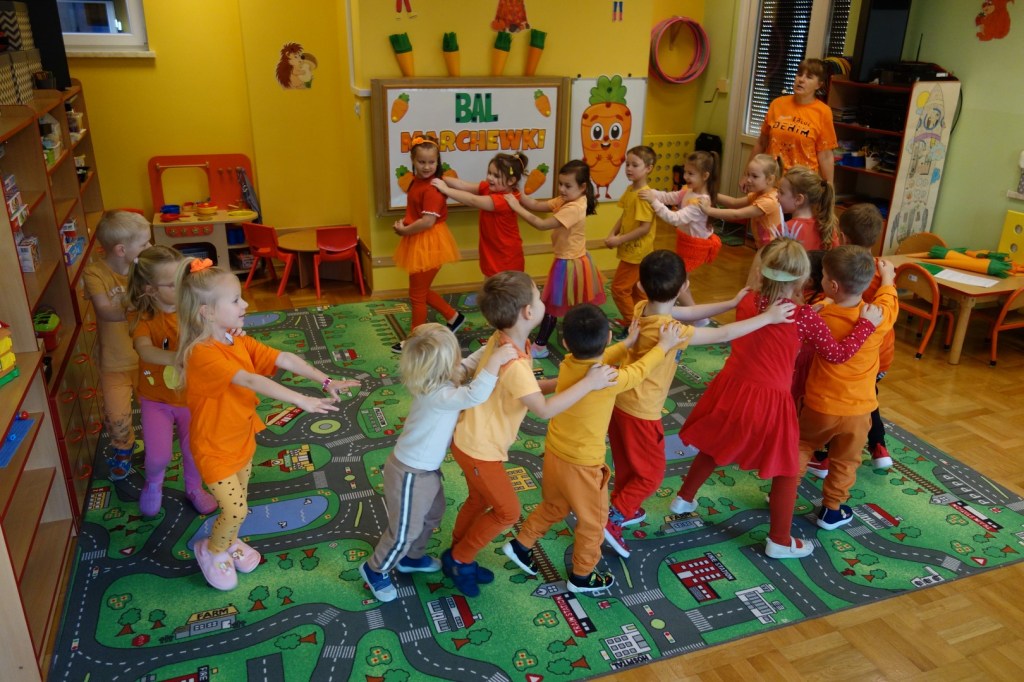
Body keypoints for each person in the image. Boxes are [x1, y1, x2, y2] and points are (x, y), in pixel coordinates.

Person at [670, 239, 883, 559]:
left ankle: (684, 498)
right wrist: (866, 325)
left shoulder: (748, 299)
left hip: (731, 387)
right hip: (770, 400)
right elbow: (837, 355)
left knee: (715, 443)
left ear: (762, 270)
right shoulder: (804, 317)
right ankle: (779, 540)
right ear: (803, 279)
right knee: (786, 468)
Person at [603, 250, 804, 557]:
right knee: (651, 474)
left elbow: (687, 312)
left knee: (629, 462)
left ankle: (626, 505)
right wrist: (768, 318)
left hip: (619, 403)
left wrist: (732, 303)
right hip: (642, 412)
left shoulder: (642, 308)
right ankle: (614, 517)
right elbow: (722, 333)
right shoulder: (673, 332)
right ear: (685, 285)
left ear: (641, 285)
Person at [175, 258, 360, 591]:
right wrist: (300, 399)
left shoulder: (235, 340)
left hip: (242, 438)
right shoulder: (201, 354)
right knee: (235, 509)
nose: (245, 304)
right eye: (236, 300)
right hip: (214, 449)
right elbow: (249, 379)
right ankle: (212, 549)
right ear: (208, 312)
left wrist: (325, 380)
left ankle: (229, 540)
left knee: (239, 503)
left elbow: (282, 358)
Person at [443, 271, 617, 597]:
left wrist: (568, 383)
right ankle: (460, 558)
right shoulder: (513, 362)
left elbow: (528, 389)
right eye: (538, 296)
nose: (542, 300)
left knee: (479, 499)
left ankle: (456, 550)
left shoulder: (504, 341)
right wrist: (588, 383)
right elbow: (544, 409)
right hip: (480, 449)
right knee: (508, 512)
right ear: (528, 312)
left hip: (470, 440)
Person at [502, 304, 686, 594]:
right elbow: (639, 371)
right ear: (608, 335)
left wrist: (626, 344)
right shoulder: (609, 380)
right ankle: (582, 575)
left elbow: (599, 357)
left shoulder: (567, 363)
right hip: (584, 466)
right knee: (593, 523)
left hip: (555, 454)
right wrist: (663, 345)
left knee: (553, 506)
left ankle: (522, 543)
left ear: (565, 343)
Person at [359, 324, 518, 602]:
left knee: (433, 514)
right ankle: (375, 569)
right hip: (409, 474)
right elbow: (475, 394)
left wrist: (491, 346)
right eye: (454, 356)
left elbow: (468, 365)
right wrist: (495, 360)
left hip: (426, 471)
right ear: (441, 365)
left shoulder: (439, 378)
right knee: (404, 531)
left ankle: (411, 558)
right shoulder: (436, 394)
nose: (460, 361)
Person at [799, 246, 899, 532]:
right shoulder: (878, 316)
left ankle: (782, 494)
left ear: (832, 285)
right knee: (845, 460)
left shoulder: (821, 317)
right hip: (859, 411)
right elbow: (888, 297)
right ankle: (832, 510)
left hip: (820, 405)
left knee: (802, 446)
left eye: (823, 276)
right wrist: (888, 277)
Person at [125, 246, 217, 518]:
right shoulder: (143, 318)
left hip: (192, 396)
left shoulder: (193, 309)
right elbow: (144, 350)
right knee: (158, 456)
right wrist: (178, 358)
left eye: (182, 279)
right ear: (150, 290)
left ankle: (194, 488)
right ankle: (154, 483)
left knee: (195, 449)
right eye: (173, 283)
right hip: (156, 400)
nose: (182, 287)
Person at [504, 160, 606, 359]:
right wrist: (518, 192)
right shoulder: (565, 200)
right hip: (570, 260)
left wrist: (516, 207)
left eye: (567, 185)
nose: (562, 189)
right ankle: (577, 337)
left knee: (551, 305)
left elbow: (541, 224)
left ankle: (540, 345)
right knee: (568, 304)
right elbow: (535, 205)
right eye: (560, 184)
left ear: (582, 187)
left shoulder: (574, 207)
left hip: (570, 263)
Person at [83, 210, 152, 480]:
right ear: (122, 250)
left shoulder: (146, 268)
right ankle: (123, 450)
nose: (150, 246)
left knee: (153, 409)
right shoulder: (94, 273)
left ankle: (155, 446)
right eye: (144, 243)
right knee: (117, 416)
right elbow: (104, 311)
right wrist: (139, 305)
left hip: (147, 358)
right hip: (113, 363)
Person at [392, 135, 464, 354]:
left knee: (417, 295)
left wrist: (404, 230)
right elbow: (416, 213)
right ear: (413, 160)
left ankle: (415, 340)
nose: (426, 166)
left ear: (438, 160)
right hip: (420, 239)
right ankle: (453, 316)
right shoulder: (417, 181)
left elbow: (427, 221)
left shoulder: (432, 188)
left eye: (431, 162)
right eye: (421, 161)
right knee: (420, 290)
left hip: (429, 242)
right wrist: (406, 223)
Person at [638, 150, 722, 307]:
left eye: (691, 174)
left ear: (705, 176)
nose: (685, 177)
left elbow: (674, 218)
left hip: (695, 247)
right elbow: (669, 197)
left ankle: (696, 315)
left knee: (679, 284)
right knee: (682, 283)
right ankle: (689, 311)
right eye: (685, 172)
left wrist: (653, 201)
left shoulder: (700, 202)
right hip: (686, 243)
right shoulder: (689, 191)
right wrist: (651, 192)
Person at [431, 152, 529, 276]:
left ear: (511, 181)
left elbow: (472, 200)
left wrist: (445, 189)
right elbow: (462, 184)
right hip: (492, 252)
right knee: (490, 280)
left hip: (506, 257)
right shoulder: (489, 188)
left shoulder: (505, 200)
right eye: (489, 173)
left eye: (496, 175)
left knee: (501, 286)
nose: (490, 178)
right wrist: (440, 178)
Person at [750, 57, 837, 183]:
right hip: (771, 179)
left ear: (818, 85)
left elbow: (826, 156)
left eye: (809, 77)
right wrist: (747, 175)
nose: (801, 80)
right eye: (799, 74)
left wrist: (829, 188)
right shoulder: (777, 104)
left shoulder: (823, 112)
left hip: (802, 183)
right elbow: (761, 143)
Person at [604, 146, 656, 327]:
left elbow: (644, 228)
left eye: (635, 165)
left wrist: (619, 239)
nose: (629, 169)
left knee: (619, 289)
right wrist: (612, 233)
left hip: (637, 253)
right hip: (632, 251)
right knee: (636, 290)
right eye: (627, 164)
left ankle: (633, 323)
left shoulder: (644, 196)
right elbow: (625, 215)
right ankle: (645, 321)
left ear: (648, 168)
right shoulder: (630, 190)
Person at [701, 154, 781, 249]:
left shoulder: (769, 201)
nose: (748, 180)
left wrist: (708, 210)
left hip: (772, 249)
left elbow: (737, 214)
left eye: (754, 176)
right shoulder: (758, 194)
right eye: (748, 175)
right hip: (764, 247)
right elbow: (734, 202)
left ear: (770, 179)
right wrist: (708, 193)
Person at [778, 165, 838, 252]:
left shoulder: (786, 229)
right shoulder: (827, 227)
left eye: (781, 192)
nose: (777, 196)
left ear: (798, 199)